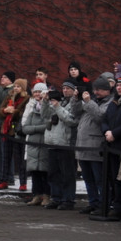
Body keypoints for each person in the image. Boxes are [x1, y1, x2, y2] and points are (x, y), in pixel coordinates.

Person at [76, 78, 113, 215]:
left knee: (99, 179)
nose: (95, 92)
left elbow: (100, 117)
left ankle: (104, 205)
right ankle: (93, 203)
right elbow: (75, 113)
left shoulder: (109, 102)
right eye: (95, 89)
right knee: (88, 178)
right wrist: (76, 99)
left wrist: (88, 102)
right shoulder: (92, 101)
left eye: (99, 90)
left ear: (107, 90)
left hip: (96, 145)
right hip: (83, 145)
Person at [43, 81, 80, 210]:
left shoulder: (75, 104)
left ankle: (68, 199)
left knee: (67, 174)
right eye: (63, 88)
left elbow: (71, 120)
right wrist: (45, 101)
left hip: (66, 143)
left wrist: (58, 107)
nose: (65, 91)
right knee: (53, 173)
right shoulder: (59, 102)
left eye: (68, 88)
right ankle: (56, 197)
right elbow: (45, 115)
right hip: (53, 142)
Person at [103, 75, 121, 222]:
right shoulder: (114, 102)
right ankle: (117, 208)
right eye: (118, 85)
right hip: (111, 145)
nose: (119, 87)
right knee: (114, 178)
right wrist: (107, 131)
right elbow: (105, 119)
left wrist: (115, 133)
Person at [21, 82, 52, 206]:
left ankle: (46, 196)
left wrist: (34, 128)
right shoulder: (33, 109)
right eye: (36, 92)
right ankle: (36, 195)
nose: (38, 94)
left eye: (40, 92)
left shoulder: (49, 108)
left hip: (44, 144)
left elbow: (48, 125)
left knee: (45, 172)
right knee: (35, 172)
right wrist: (37, 128)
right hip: (33, 145)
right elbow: (25, 128)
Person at [0, 78, 29, 191]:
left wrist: (14, 112)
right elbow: (0, 110)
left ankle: (23, 183)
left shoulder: (26, 99)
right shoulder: (9, 96)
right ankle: (4, 180)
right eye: (15, 86)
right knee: (6, 157)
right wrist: (5, 111)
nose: (16, 88)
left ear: (23, 88)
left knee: (20, 159)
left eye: (18, 86)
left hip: (18, 131)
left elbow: (24, 114)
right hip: (7, 130)